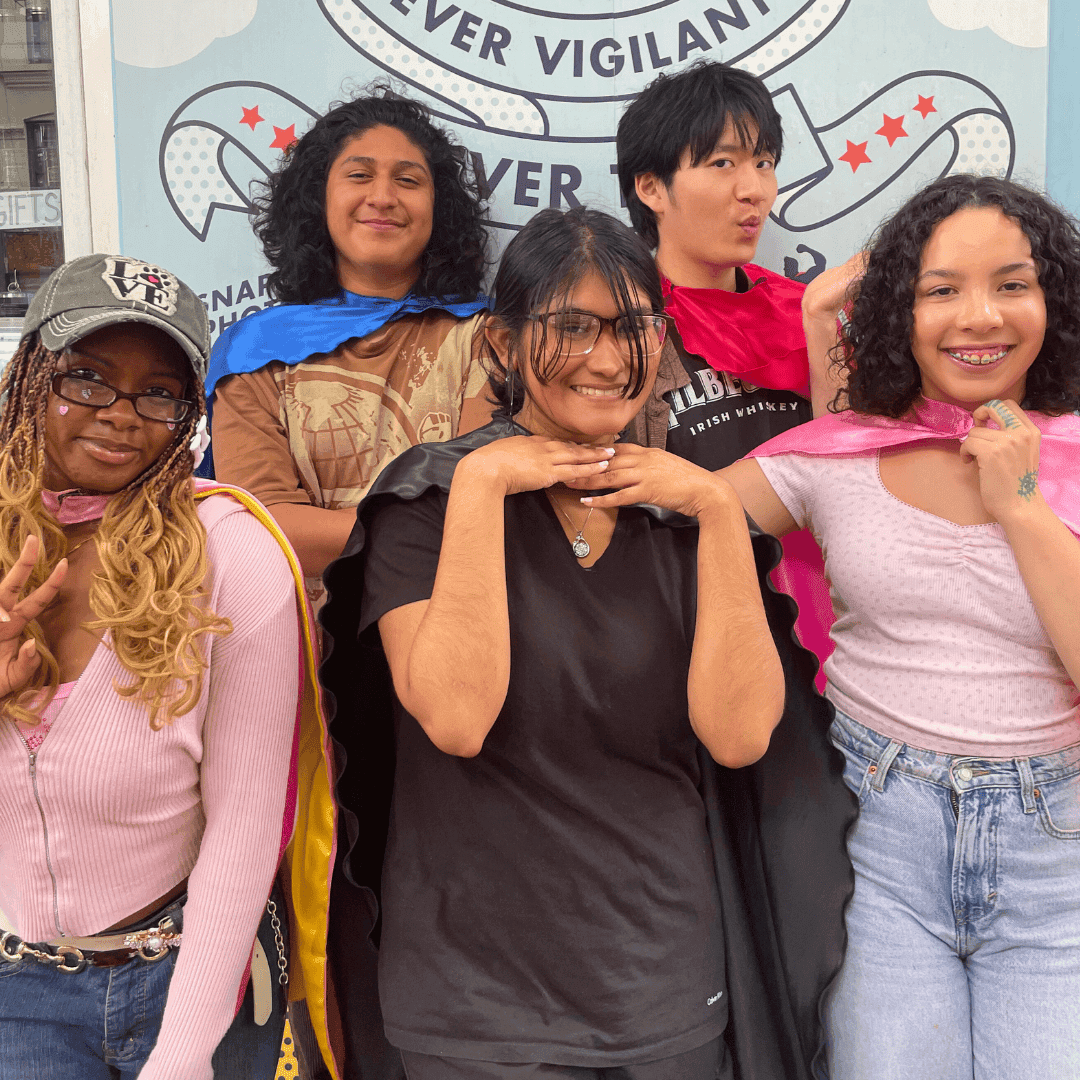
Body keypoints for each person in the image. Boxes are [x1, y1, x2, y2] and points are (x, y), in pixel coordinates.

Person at [319, 207, 856, 1080]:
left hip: (661, 986)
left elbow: (741, 735)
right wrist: (483, 482)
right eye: (572, 327)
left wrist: (721, 512)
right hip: (472, 1001)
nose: (608, 360)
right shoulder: (428, 507)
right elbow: (456, 716)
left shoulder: (681, 516)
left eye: (635, 327)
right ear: (504, 344)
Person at [720, 175, 1080, 1078]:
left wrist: (1023, 506)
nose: (979, 317)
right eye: (940, 289)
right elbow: (675, 521)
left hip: (1057, 864)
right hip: (878, 843)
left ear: (1054, 300)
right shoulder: (841, 454)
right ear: (899, 311)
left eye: (1012, 283)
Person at [0, 255, 339, 1079]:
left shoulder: (234, 554)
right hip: (17, 996)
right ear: (29, 376)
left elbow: (247, 827)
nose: (121, 416)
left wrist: (184, 1054)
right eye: (86, 379)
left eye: (158, 392)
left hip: (189, 983)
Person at [209, 88, 493, 589]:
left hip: (454, 617)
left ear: (437, 207)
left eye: (408, 180)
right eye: (359, 175)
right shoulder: (253, 351)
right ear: (319, 197)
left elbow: (481, 500)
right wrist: (424, 530)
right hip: (300, 638)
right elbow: (264, 524)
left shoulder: (487, 337)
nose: (382, 197)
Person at [616, 60, 834, 681]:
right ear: (652, 188)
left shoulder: (808, 311)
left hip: (827, 643)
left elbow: (858, 476)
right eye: (723, 163)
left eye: (763, 162)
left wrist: (822, 325)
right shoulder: (615, 328)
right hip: (680, 641)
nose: (754, 189)